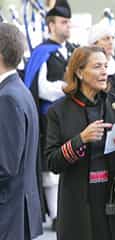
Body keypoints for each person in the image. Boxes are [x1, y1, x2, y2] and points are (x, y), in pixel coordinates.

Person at [45, 46, 115, 240]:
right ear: (79, 72)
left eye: (105, 66)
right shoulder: (59, 111)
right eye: (97, 66)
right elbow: (52, 162)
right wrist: (81, 140)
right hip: (78, 204)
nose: (104, 71)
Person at [24, 0, 77, 228]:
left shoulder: (73, 51)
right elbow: (41, 88)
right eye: (63, 22)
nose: (68, 26)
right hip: (49, 119)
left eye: (69, 22)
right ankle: (57, 214)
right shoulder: (42, 52)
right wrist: (66, 88)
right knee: (51, 167)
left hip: (72, 117)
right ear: (51, 25)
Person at [0, 23, 42, 240]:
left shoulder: (7, 97)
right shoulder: (18, 91)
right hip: (16, 212)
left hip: (8, 215)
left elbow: (6, 166)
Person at [88, 20, 115, 98]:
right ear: (94, 44)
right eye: (106, 39)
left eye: (113, 38)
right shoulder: (88, 67)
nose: (111, 42)